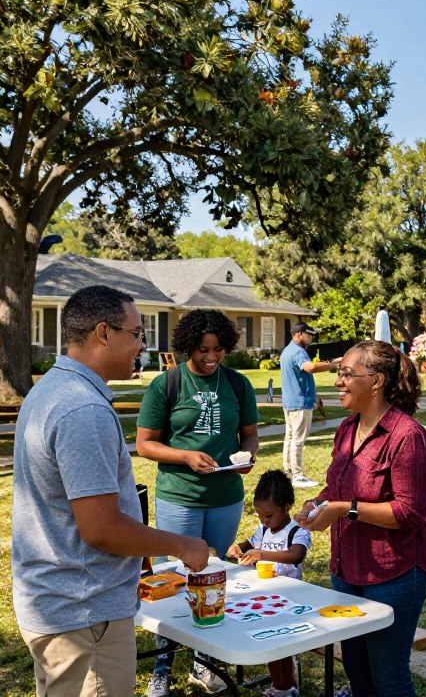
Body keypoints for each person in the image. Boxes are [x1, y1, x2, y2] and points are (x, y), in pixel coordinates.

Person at [12, 285, 209, 697]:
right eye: (136, 333)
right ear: (104, 332)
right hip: (82, 617)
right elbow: (102, 528)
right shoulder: (83, 408)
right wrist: (183, 546)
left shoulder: (51, 389)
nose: (142, 344)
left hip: (56, 605)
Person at [295, 340, 426, 697]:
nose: (337, 382)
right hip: (347, 569)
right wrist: (315, 504)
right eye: (338, 374)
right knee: (357, 671)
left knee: (388, 676)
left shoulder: (407, 437)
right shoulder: (346, 430)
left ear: (375, 381)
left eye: (346, 374)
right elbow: (334, 488)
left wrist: (345, 509)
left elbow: (409, 514)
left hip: (397, 571)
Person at [136, 308, 260, 697]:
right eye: (204, 349)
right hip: (180, 498)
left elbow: (251, 435)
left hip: (225, 499)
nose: (212, 356)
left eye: (219, 349)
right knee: (174, 581)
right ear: (188, 346)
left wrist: (248, 458)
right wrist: (185, 456)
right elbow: (145, 444)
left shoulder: (238, 384)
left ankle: (204, 663)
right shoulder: (167, 384)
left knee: (214, 576)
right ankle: (163, 665)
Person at [228, 470, 311, 697]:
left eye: (268, 515)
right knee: (271, 645)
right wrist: (238, 549)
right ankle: (280, 687)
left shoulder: (296, 531)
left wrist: (262, 554)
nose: (264, 521)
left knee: (285, 646)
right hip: (263, 596)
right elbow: (247, 545)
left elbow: (296, 556)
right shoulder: (263, 529)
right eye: (260, 516)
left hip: (289, 598)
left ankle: (289, 687)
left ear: (286, 506)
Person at [279, 321, 340, 489]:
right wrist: (334, 364)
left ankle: (288, 472)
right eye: (308, 334)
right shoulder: (298, 352)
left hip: (290, 402)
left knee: (290, 438)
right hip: (300, 403)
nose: (311, 338)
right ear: (298, 334)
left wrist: (315, 395)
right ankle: (297, 476)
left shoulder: (287, 351)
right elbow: (310, 368)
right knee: (298, 440)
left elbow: (301, 378)